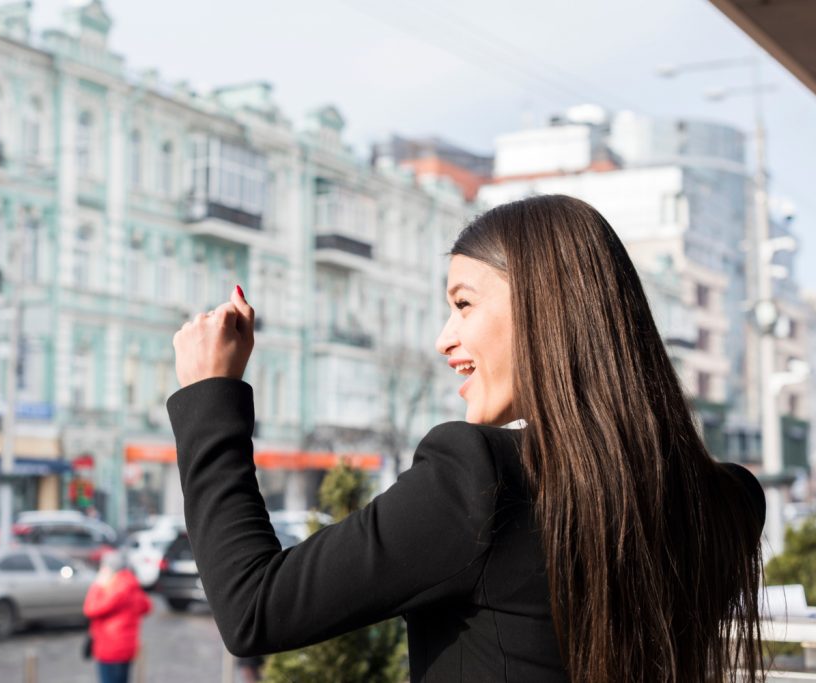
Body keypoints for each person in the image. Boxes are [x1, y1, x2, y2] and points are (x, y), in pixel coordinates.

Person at [167, 195, 766, 683]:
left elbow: (254, 609)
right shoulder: (731, 502)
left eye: (463, 304)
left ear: (544, 308)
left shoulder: (479, 481)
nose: (444, 340)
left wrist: (210, 397)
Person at [83, 550, 152, 683]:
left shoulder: (116, 588)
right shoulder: (131, 583)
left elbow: (90, 609)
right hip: (126, 648)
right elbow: (146, 607)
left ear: (108, 569)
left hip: (111, 649)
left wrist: (97, 586)